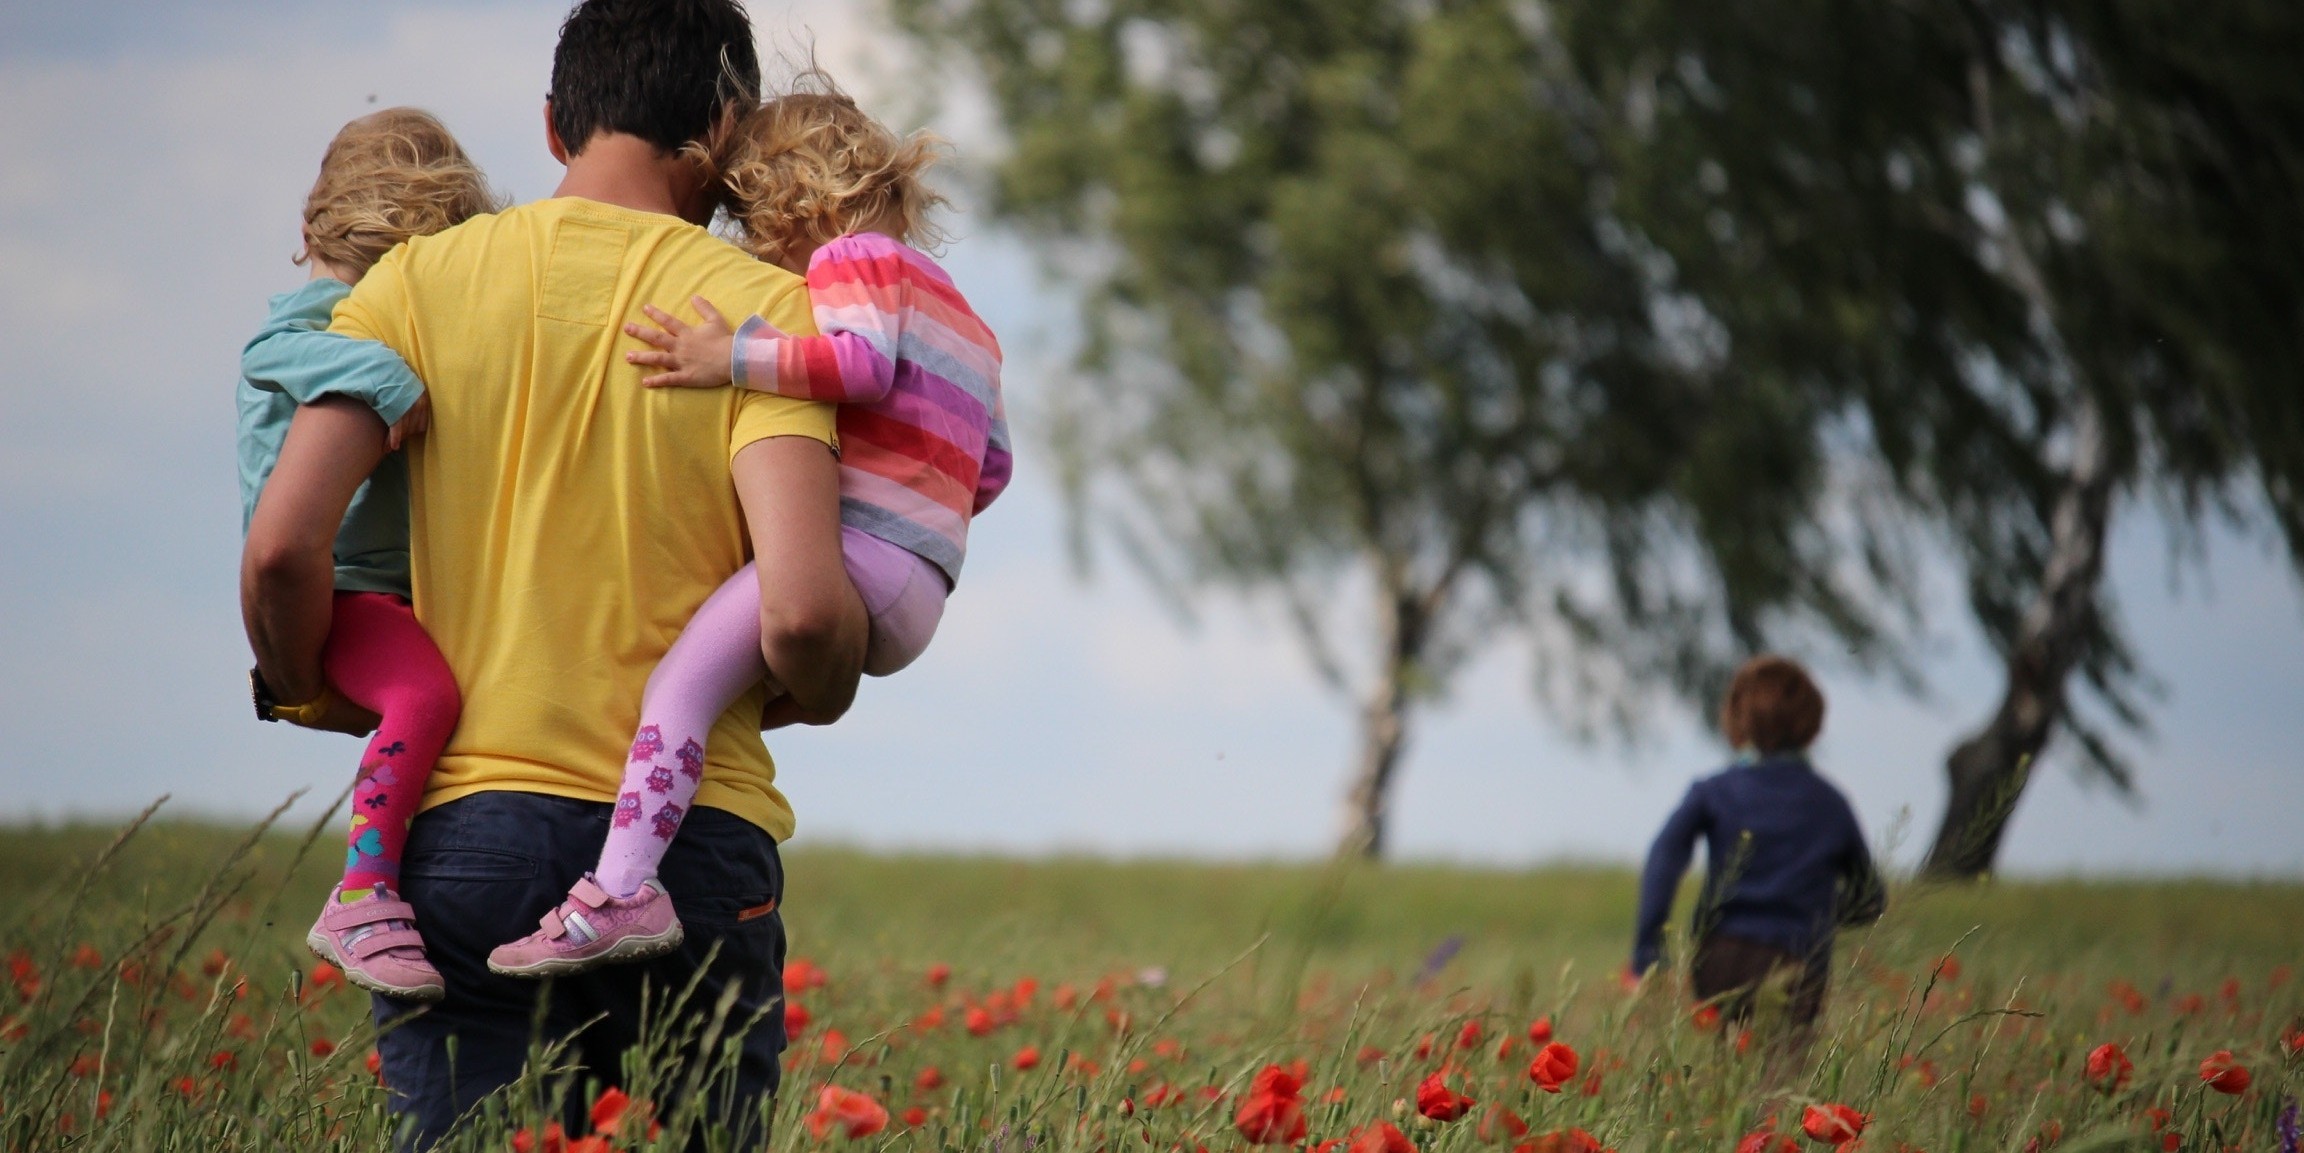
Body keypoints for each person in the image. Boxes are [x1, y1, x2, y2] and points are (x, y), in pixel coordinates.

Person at [239, 0, 866, 1142]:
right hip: (691, 849)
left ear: (550, 126)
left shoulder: (411, 289)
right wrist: (811, 690)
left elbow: (284, 545)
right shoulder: (768, 314)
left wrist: (310, 687)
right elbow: (810, 611)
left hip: (467, 834)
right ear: (725, 127)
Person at [487, 80, 1013, 977]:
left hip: (859, 557)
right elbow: (991, 468)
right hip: (923, 583)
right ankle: (649, 840)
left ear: (795, 201)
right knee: (725, 693)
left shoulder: (853, 262)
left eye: (753, 221)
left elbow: (857, 364)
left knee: (677, 690)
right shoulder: (968, 317)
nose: (757, 248)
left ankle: (620, 890)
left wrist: (726, 355)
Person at [238, 107, 497, 1002]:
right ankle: (363, 891)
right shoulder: (319, 321)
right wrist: (387, 376)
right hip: (345, 589)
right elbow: (272, 350)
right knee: (426, 695)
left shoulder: (358, 308)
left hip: (385, 590)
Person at [1627, 655, 1884, 1040]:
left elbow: (1664, 858)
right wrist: (1817, 915)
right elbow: (1869, 898)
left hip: (1721, 956)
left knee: (1726, 1071)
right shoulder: (1830, 803)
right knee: (1781, 1080)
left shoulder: (1714, 792)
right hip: (1799, 959)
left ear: (1736, 718)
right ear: (1811, 724)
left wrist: (1649, 952)